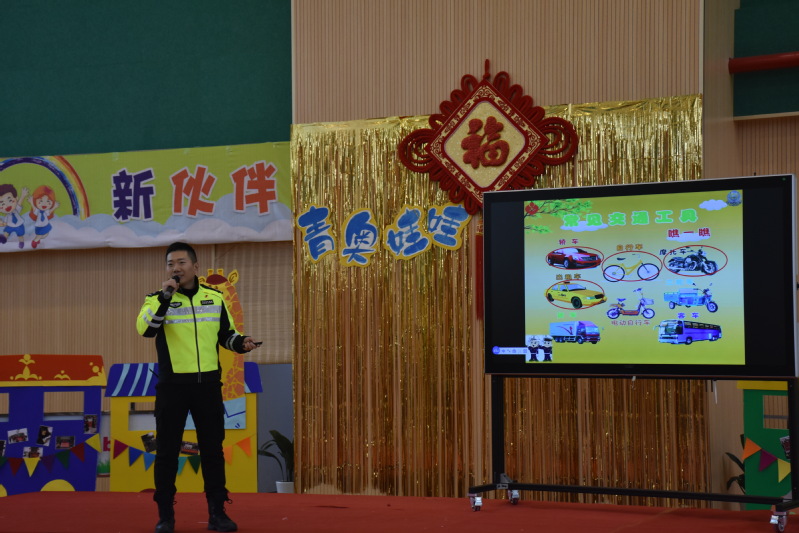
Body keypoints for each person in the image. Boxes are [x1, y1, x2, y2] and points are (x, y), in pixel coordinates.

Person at [137, 242, 259, 533]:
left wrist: (241, 343)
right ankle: (165, 516)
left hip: (207, 386)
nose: (176, 268)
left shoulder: (214, 298)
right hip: (172, 387)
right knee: (167, 452)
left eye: (181, 262)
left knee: (213, 451)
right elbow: (147, 330)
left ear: (195, 266)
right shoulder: (155, 299)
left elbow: (226, 335)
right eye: (170, 264)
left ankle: (217, 513)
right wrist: (165, 298)